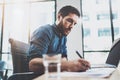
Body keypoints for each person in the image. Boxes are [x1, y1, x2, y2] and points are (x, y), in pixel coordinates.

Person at [28, 5, 90, 74]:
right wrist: (67, 65)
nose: (72, 26)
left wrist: (75, 63)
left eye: (74, 24)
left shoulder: (63, 37)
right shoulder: (44, 31)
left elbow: (64, 60)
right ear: (59, 17)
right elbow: (33, 64)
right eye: (69, 20)